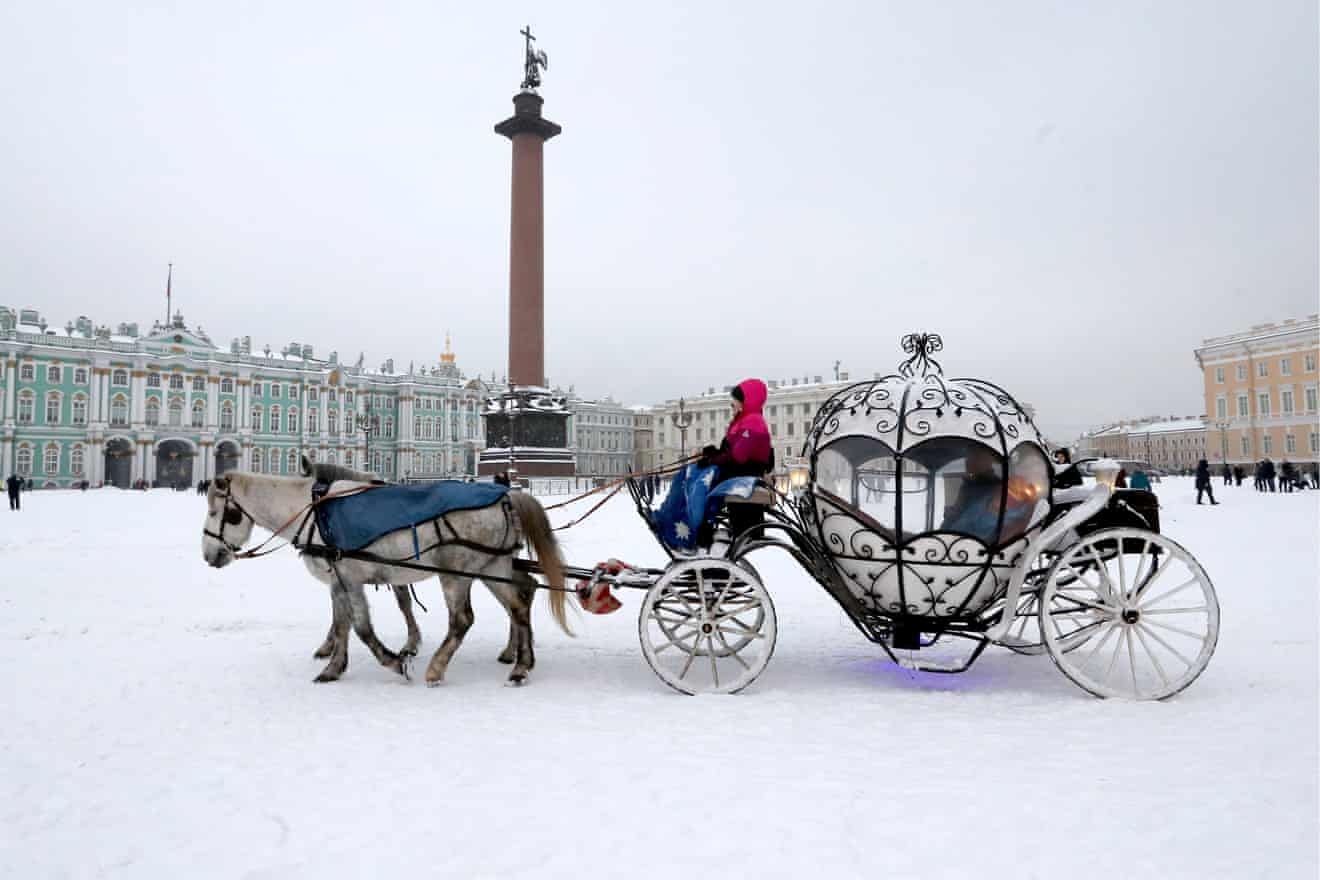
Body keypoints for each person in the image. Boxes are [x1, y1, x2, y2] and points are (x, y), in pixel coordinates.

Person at [697, 379, 773, 540]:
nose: (732, 404)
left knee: (701, 481)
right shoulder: (744, 421)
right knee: (697, 476)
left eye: (735, 400)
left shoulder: (753, 422)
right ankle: (700, 526)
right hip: (739, 472)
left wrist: (713, 460)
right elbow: (731, 450)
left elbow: (738, 456)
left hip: (743, 474)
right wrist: (715, 453)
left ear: (746, 401)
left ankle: (699, 528)